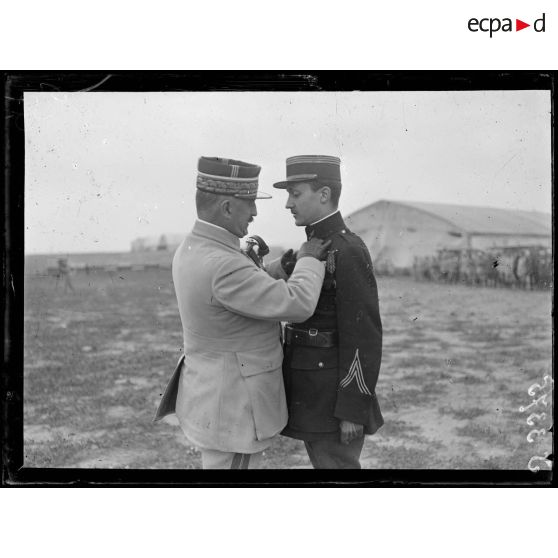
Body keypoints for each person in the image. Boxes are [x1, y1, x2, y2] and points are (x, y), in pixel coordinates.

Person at [154, 156, 330, 469]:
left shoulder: (196, 247)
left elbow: (239, 293)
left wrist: (279, 268)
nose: (255, 212)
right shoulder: (223, 263)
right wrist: (309, 261)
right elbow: (297, 304)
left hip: (215, 396)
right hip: (234, 406)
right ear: (226, 207)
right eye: (249, 203)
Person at [270, 155, 383, 469]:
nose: (288, 204)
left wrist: (352, 409)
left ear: (323, 195)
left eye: (296, 194)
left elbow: (364, 336)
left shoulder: (347, 250)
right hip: (312, 389)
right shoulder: (317, 245)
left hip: (333, 398)